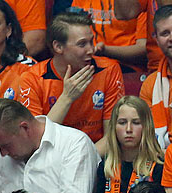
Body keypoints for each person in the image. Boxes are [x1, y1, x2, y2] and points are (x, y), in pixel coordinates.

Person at [14, 13, 124, 142]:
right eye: (82, 44)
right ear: (58, 47)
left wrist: (84, 159)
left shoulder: (108, 70)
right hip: (50, 156)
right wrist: (67, 98)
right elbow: (36, 140)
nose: (91, 50)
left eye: (91, 42)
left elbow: (111, 137)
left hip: (96, 154)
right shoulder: (32, 78)